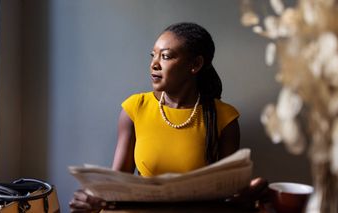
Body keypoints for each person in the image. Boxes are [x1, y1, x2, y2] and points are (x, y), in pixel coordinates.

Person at [70, 22, 267, 213]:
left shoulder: (225, 118)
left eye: (165, 56)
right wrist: (93, 199)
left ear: (195, 64)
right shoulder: (135, 107)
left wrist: (245, 197)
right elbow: (117, 183)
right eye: (153, 55)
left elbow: (228, 193)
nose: (154, 64)